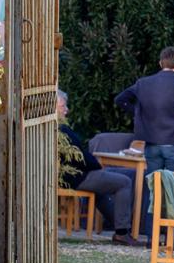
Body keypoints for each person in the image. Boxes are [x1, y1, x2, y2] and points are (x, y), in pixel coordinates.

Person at [114, 46, 174, 228]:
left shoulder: (144, 83)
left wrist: (138, 113)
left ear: (161, 63)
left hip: (151, 143)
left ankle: (151, 236)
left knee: (154, 189)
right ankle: (171, 238)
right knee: (173, 191)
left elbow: (120, 99)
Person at [57, 90, 143, 247]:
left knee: (106, 185)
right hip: (76, 177)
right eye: (63, 106)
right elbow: (79, 157)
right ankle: (122, 232)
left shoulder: (54, 129)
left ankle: (118, 225)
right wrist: (97, 165)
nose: (66, 109)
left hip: (71, 175)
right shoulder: (61, 131)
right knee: (124, 181)